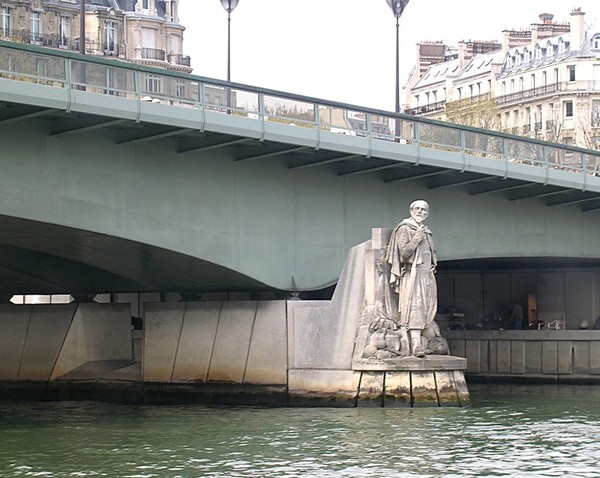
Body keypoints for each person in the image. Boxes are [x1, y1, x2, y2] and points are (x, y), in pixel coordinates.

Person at [385, 200, 438, 357]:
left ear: (427, 213)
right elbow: (404, 253)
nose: (421, 212)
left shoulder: (425, 230)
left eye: (424, 210)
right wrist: (417, 237)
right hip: (413, 274)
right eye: (418, 209)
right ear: (411, 210)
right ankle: (415, 345)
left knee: (427, 308)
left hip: (427, 274)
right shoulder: (405, 228)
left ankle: (420, 341)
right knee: (416, 307)